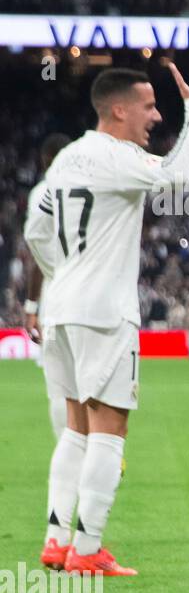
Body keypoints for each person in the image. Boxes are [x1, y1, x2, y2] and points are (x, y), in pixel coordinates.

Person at [37, 63, 189, 576]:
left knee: (76, 431)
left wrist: (62, 277)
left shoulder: (66, 158)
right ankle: (87, 553)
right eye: (149, 106)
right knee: (110, 430)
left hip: (61, 308)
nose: (156, 116)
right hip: (105, 314)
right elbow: (177, 178)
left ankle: (55, 539)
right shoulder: (118, 156)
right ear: (118, 109)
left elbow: (39, 229)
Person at [21, 132, 73, 439]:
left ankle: (68, 451)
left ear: (45, 162)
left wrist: (31, 307)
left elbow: (36, 251)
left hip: (56, 293)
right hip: (92, 293)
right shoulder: (95, 188)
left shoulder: (42, 192)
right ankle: (99, 450)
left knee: (58, 385)